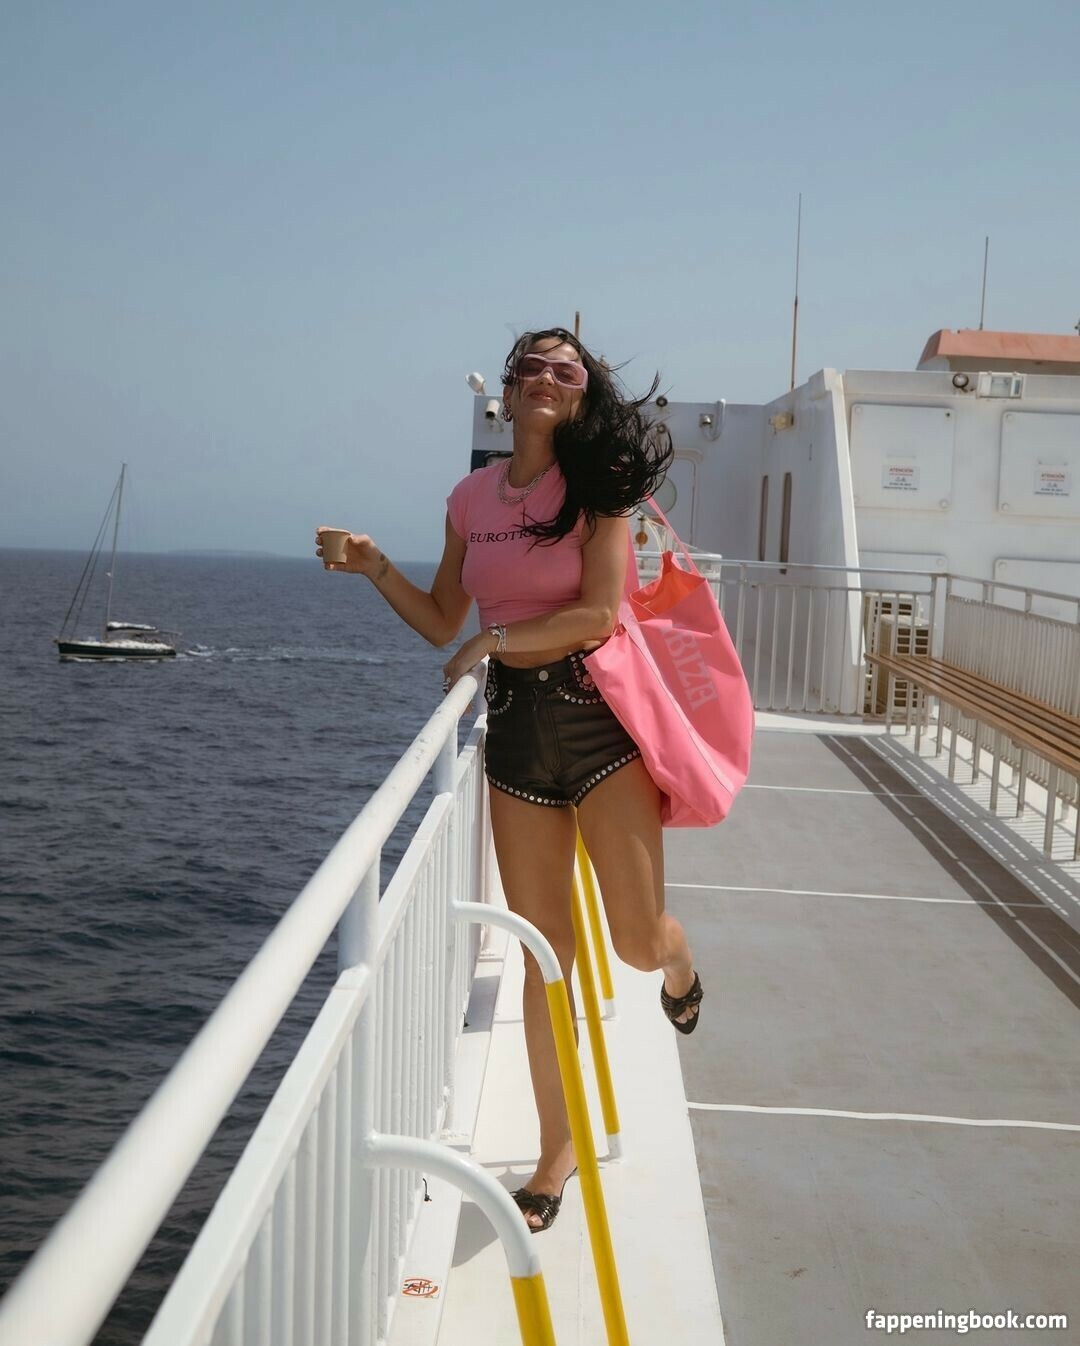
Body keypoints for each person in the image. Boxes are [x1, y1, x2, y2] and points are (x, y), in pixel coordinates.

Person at [315, 326, 703, 1233]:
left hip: (601, 725)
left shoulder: (600, 485)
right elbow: (440, 617)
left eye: (565, 370)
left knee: (635, 943)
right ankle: (554, 1153)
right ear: (509, 387)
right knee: (544, 957)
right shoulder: (469, 498)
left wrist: (490, 642)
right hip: (519, 739)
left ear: (581, 393)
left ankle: (680, 960)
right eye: (531, 365)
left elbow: (596, 615)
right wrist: (375, 568)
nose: (545, 378)